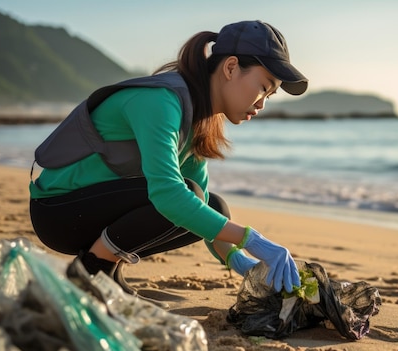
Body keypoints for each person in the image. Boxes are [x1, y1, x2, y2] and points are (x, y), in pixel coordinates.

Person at [29, 20, 308, 303]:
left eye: (270, 96)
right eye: (263, 87)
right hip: (58, 210)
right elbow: (169, 194)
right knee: (182, 196)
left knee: (213, 206)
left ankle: (108, 270)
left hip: (91, 205)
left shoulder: (200, 117)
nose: (262, 104)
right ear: (231, 68)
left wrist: (240, 262)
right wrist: (254, 240)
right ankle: (92, 268)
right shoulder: (162, 100)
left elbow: (201, 204)